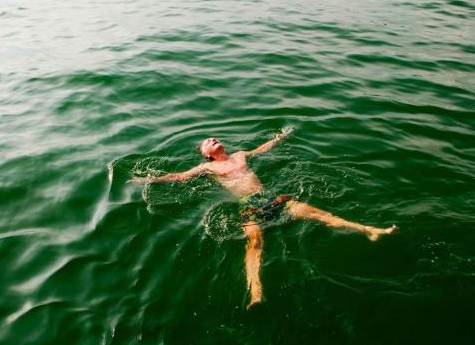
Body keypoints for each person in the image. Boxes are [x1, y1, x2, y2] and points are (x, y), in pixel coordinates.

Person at [130, 131, 398, 308]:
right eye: (208, 142)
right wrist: (148, 178)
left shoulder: (239, 155)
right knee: (255, 243)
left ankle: (370, 229)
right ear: (206, 153)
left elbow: (262, 149)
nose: (214, 140)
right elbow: (178, 177)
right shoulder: (207, 167)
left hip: (271, 197)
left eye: (214, 138)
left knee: (319, 214)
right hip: (249, 205)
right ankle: (256, 291)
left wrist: (279, 137)